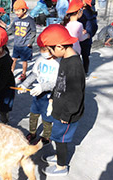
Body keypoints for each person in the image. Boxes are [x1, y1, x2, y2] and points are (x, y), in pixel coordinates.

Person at [40, 24, 85, 176]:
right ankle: (59, 157)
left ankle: (61, 167)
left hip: (67, 115)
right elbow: (61, 82)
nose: (51, 54)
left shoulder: (74, 65)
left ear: (59, 46)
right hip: (60, 109)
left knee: (61, 139)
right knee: (57, 136)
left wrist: (66, 115)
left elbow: (75, 95)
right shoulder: (65, 58)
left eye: (51, 50)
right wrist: (53, 98)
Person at [18, 33, 60, 146]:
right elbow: (34, 74)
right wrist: (25, 85)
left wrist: (43, 87)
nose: (43, 51)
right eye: (41, 49)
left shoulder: (58, 63)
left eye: (45, 49)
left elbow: (57, 82)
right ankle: (32, 132)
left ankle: (46, 136)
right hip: (37, 93)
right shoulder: (40, 59)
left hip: (50, 96)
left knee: (47, 117)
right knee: (33, 113)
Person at [2, 0, 36, 83]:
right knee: (13, 59)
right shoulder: (16, 20)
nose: (16, 12)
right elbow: (12, 29)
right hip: (17, 44)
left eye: (18, 10)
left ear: (24, 10)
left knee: (24, 60)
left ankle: (23, 74)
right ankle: (10, 73)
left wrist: (30, 42)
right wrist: (4, 34)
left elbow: (33, 31)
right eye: (15, 10)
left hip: (25, 45)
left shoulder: (30, 20)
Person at [78, 0, 98, 76]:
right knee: (85, 56)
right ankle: (85, 71)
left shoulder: (84, 13)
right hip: (87, 39)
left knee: (77, 56)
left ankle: (80, 71)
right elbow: (95, 27)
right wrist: (90, 34)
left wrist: (86, 33)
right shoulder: (91, 12)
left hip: (81, 38)